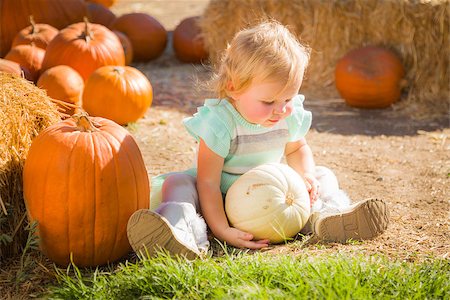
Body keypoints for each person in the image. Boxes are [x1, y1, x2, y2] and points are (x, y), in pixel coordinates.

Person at [127, 21, 389, 259]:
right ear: (233, 88)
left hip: (271, 198)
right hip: (220, 199)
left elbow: (298, 147)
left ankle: (330, 215)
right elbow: (208, 182)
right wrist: (222, 229)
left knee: (324, 175)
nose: (281, 109)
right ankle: (182, 233)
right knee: (179, 182)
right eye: (268, 101)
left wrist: (307, 176)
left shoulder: (288, 115)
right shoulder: (221, 123)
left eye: (288, 99)